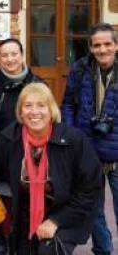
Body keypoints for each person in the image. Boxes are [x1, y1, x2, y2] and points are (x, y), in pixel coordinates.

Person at [0, 83, 101, 254]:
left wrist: (56, 221)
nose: (34, 111)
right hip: (25, 217)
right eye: (28, 105)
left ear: (51, 110)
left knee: (48, 251)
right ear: (20, 112)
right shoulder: (11, 138)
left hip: (65, 214)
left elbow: (90, 188)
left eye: (41, 105)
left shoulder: (73, 140)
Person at [61, 22, 118, 255]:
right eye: (97, 45)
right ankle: (103, 250)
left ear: (116, 45)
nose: (102, 50)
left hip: (116, 154)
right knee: (93, 209)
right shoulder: (80, 69)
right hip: (88, 151)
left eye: (107, 44)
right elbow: (67, 104)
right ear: (90, 47)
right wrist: (72, 136)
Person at [0, 38, 42, 138]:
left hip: (33, 142)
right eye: (4, 55)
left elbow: (48, 116)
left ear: (22, 55)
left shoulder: (38, 84)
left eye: (14, 54)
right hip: (1, 145)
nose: (10, 59)